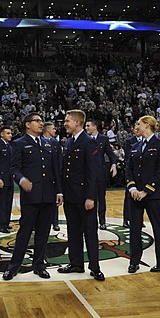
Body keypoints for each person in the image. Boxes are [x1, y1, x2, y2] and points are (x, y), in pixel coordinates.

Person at [3, 113, 63, 281]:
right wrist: (21, 179)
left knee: (43, 233)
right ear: (28, 125)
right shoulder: (19, 144)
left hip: (49, 195)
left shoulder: (49, 143)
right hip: (31, 196)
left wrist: (59, 191)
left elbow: (55, 170)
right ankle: (13, 267)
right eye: (37, 121)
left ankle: (39, 265)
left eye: (41, 121)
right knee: (24, 233)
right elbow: (14, 169)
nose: (40, 123)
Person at [58, 110, 104, 281]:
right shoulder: (69, 142)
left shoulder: (89, 142)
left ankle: (95, 267)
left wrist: (91, 197)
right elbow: (65, 171)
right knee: (73, 231)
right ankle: (76, 263)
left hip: (85, 197)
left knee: (90, 232)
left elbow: (94, 172)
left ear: (77, 123)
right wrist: (62, 192)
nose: (65, 123)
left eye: (67, 120)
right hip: (71, 196)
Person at [126, 115, 160, 273]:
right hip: (135, 195)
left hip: (152, 195)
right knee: (134, 229)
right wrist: (132, 189)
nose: (136, 126)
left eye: (138, 124)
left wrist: (146, 190)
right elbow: (129, 170)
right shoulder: (135, 146)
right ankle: (134, 261)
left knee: (158, 228)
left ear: (147, 124)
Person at [85, 120, 117, 230]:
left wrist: (113, 164)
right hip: (87, 175)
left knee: (101, 198)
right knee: (89, 198)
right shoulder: (84, 139)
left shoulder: (103, 139)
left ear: (94, 126)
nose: (86, 128)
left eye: (88, 125)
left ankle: (102, 221)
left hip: (100, 174)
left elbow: (111, 154)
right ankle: (90, 222)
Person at [0, 126, 14, 234]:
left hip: (9, 179)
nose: (10, 135)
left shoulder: (9, 146)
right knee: (2, 203)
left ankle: (6, 222)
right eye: (8, 133)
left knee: (9, 202)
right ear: (1, 134)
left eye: (10, 133)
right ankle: (1, 225)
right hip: (2, 179)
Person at [43, 121, 63, 232]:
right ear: (47, 130)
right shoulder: (39, 141)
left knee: (55, 200)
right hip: (42, 176)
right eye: (53, 129)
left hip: (54, 176)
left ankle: (55, 222)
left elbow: (60, 160)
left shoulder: (56, 143)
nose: (55, 130)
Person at [122, 130, 141, 228]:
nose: (137, 131)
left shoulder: (144, 141)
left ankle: (139, 221)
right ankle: (126, 219)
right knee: (128, 198)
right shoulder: (129, 141)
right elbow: (128, 157)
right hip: (132, 173)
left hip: (141, 175)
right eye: (136, 129)